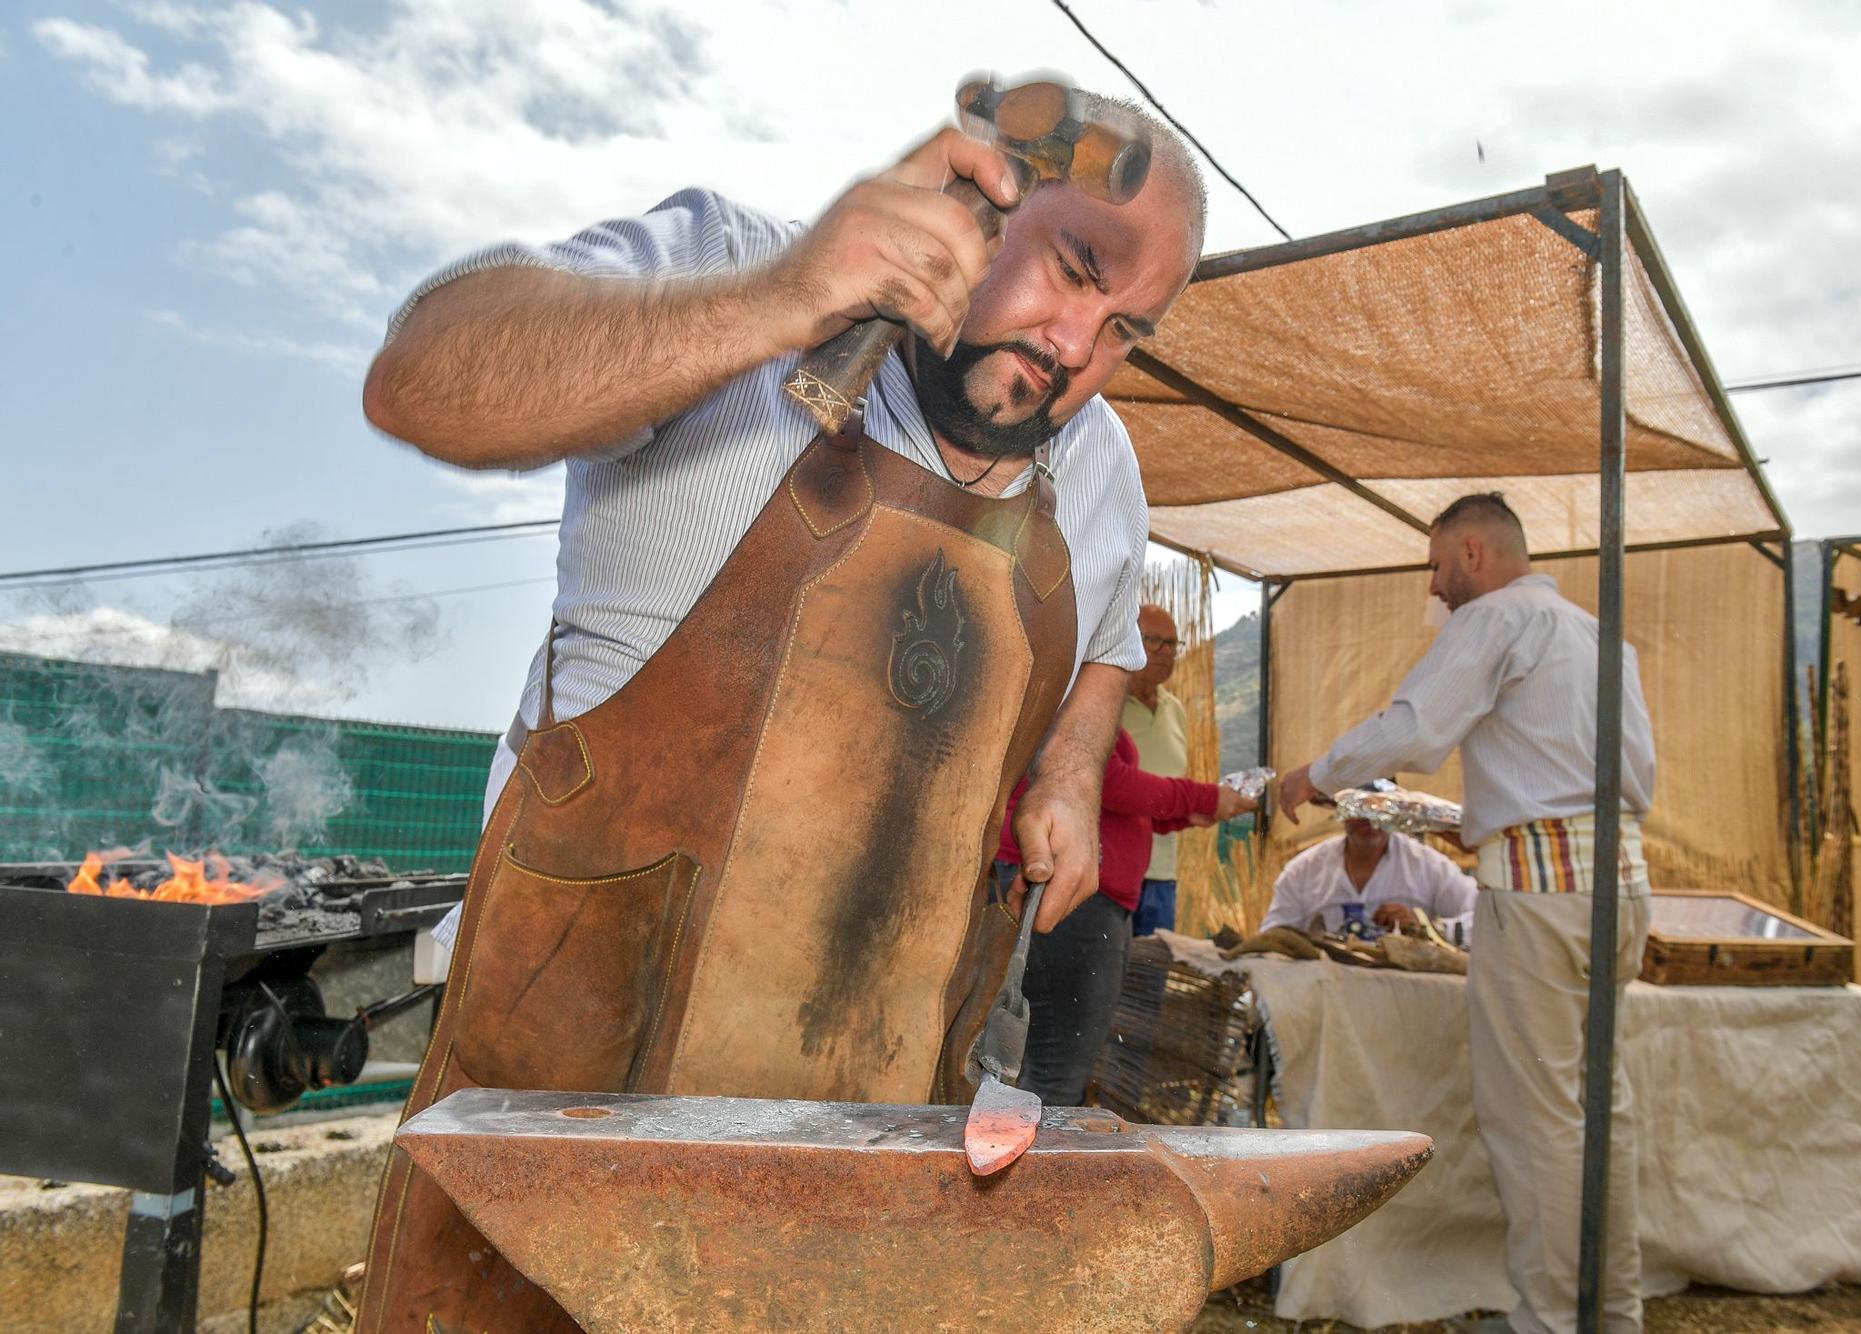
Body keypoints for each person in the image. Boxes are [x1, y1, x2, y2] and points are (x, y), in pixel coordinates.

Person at [355, 90, 1209, 1330]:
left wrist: (1072, 769)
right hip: (563, 1126)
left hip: (861, 1149)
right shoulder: (724, 263)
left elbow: (1112, 641)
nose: (1077, 345)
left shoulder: (1101, 463)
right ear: (975, 197)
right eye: (1072, 270)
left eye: (1123, 327)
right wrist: (783, 296)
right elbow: (420, 379)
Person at [1276, 492, 1656, 1334]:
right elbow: (1630, 775)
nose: (1435, 585)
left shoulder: (1496, 620)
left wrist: (1318, 774)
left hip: (1544, 888)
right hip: (1621, 881)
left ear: (1474, 553)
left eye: (1438, 564)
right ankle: (1611, 1312)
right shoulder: (1601, 638)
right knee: (1603, 1110)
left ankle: (1555, 1321)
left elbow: (1414, 728)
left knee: (1539, 1119)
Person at [995, 731, 1255, 1103]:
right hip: (1068, 885)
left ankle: (1044, 1151)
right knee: (1057, 1065)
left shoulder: (1088, 695)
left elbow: (1102, 799)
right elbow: (1102, 778)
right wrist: (1206, 798)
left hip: (1089, 891)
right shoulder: (1075, 690)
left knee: (1068, 1060)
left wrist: (1178, 815)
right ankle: (1036, 1158)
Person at [1261, 817, 1478, 936]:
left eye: (1380, 809)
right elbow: (1273, 936)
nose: (1370, 819)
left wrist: (1423, 927)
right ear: (1341, 809)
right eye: (1359, 809)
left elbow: (1481, 920)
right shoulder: (1303, 870)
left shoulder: (1428, 866)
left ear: (1396, 811)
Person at [1122, 602, 1191, 935]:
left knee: (1151, 981)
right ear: (1128, 640)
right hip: (1114, 872)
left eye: (1173, 644)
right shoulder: (1106, 707)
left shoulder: (1175, 710)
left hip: (1163, 874)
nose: (1166, 652)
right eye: (1154, 641)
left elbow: (1172, 783)